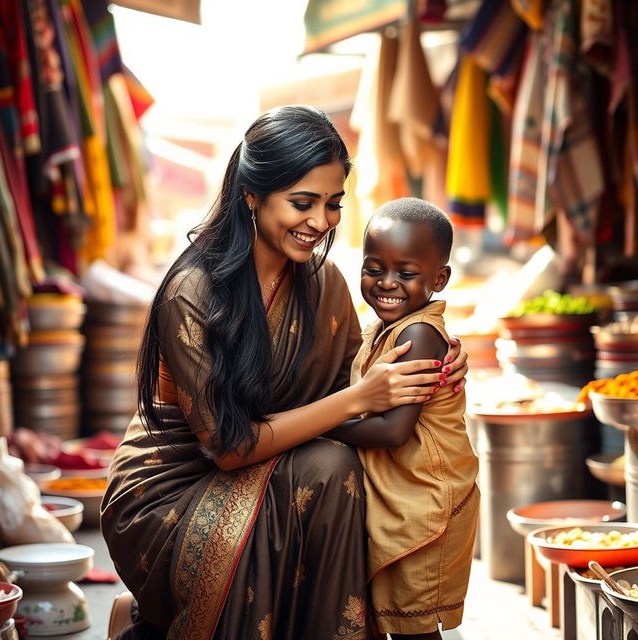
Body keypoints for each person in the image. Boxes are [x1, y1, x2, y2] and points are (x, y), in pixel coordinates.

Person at [101, 106, 469, 640]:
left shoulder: (322, 283)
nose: (320, 222)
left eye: (333, 204)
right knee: (330, 468)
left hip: (279, 461)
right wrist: (357, 399)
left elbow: (359, 382)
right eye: (302, 202)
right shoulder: (195, 293)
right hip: (175, 485)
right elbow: (228, 448)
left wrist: (433, 357)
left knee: (345, 469)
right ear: (251, 195)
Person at [328, 198, 479, 640]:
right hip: (407, 501)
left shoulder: (418, 334)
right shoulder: (382, 328)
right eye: (374, 268)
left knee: (417, 629)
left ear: (439, 278)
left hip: (429, 502)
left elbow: (394, 430)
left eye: (406, 273)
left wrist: (316, 422)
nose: (386, 283)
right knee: (400, 621)